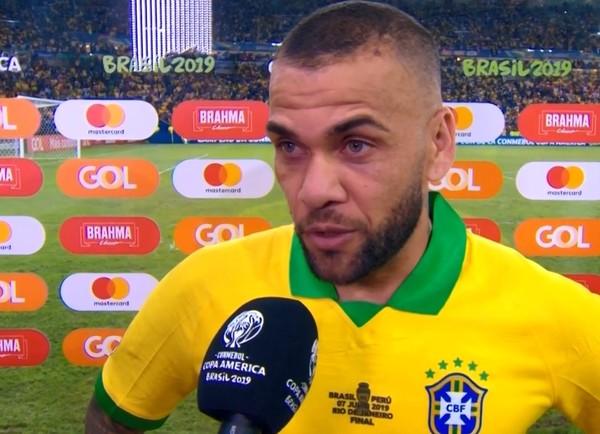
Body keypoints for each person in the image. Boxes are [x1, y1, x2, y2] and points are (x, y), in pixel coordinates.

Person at [84, 1, 600, 433]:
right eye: (290, 146)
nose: (313, 190)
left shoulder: (551, 313)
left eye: (356, 144)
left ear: (439, 144)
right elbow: (113, 418)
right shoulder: (204, 285)